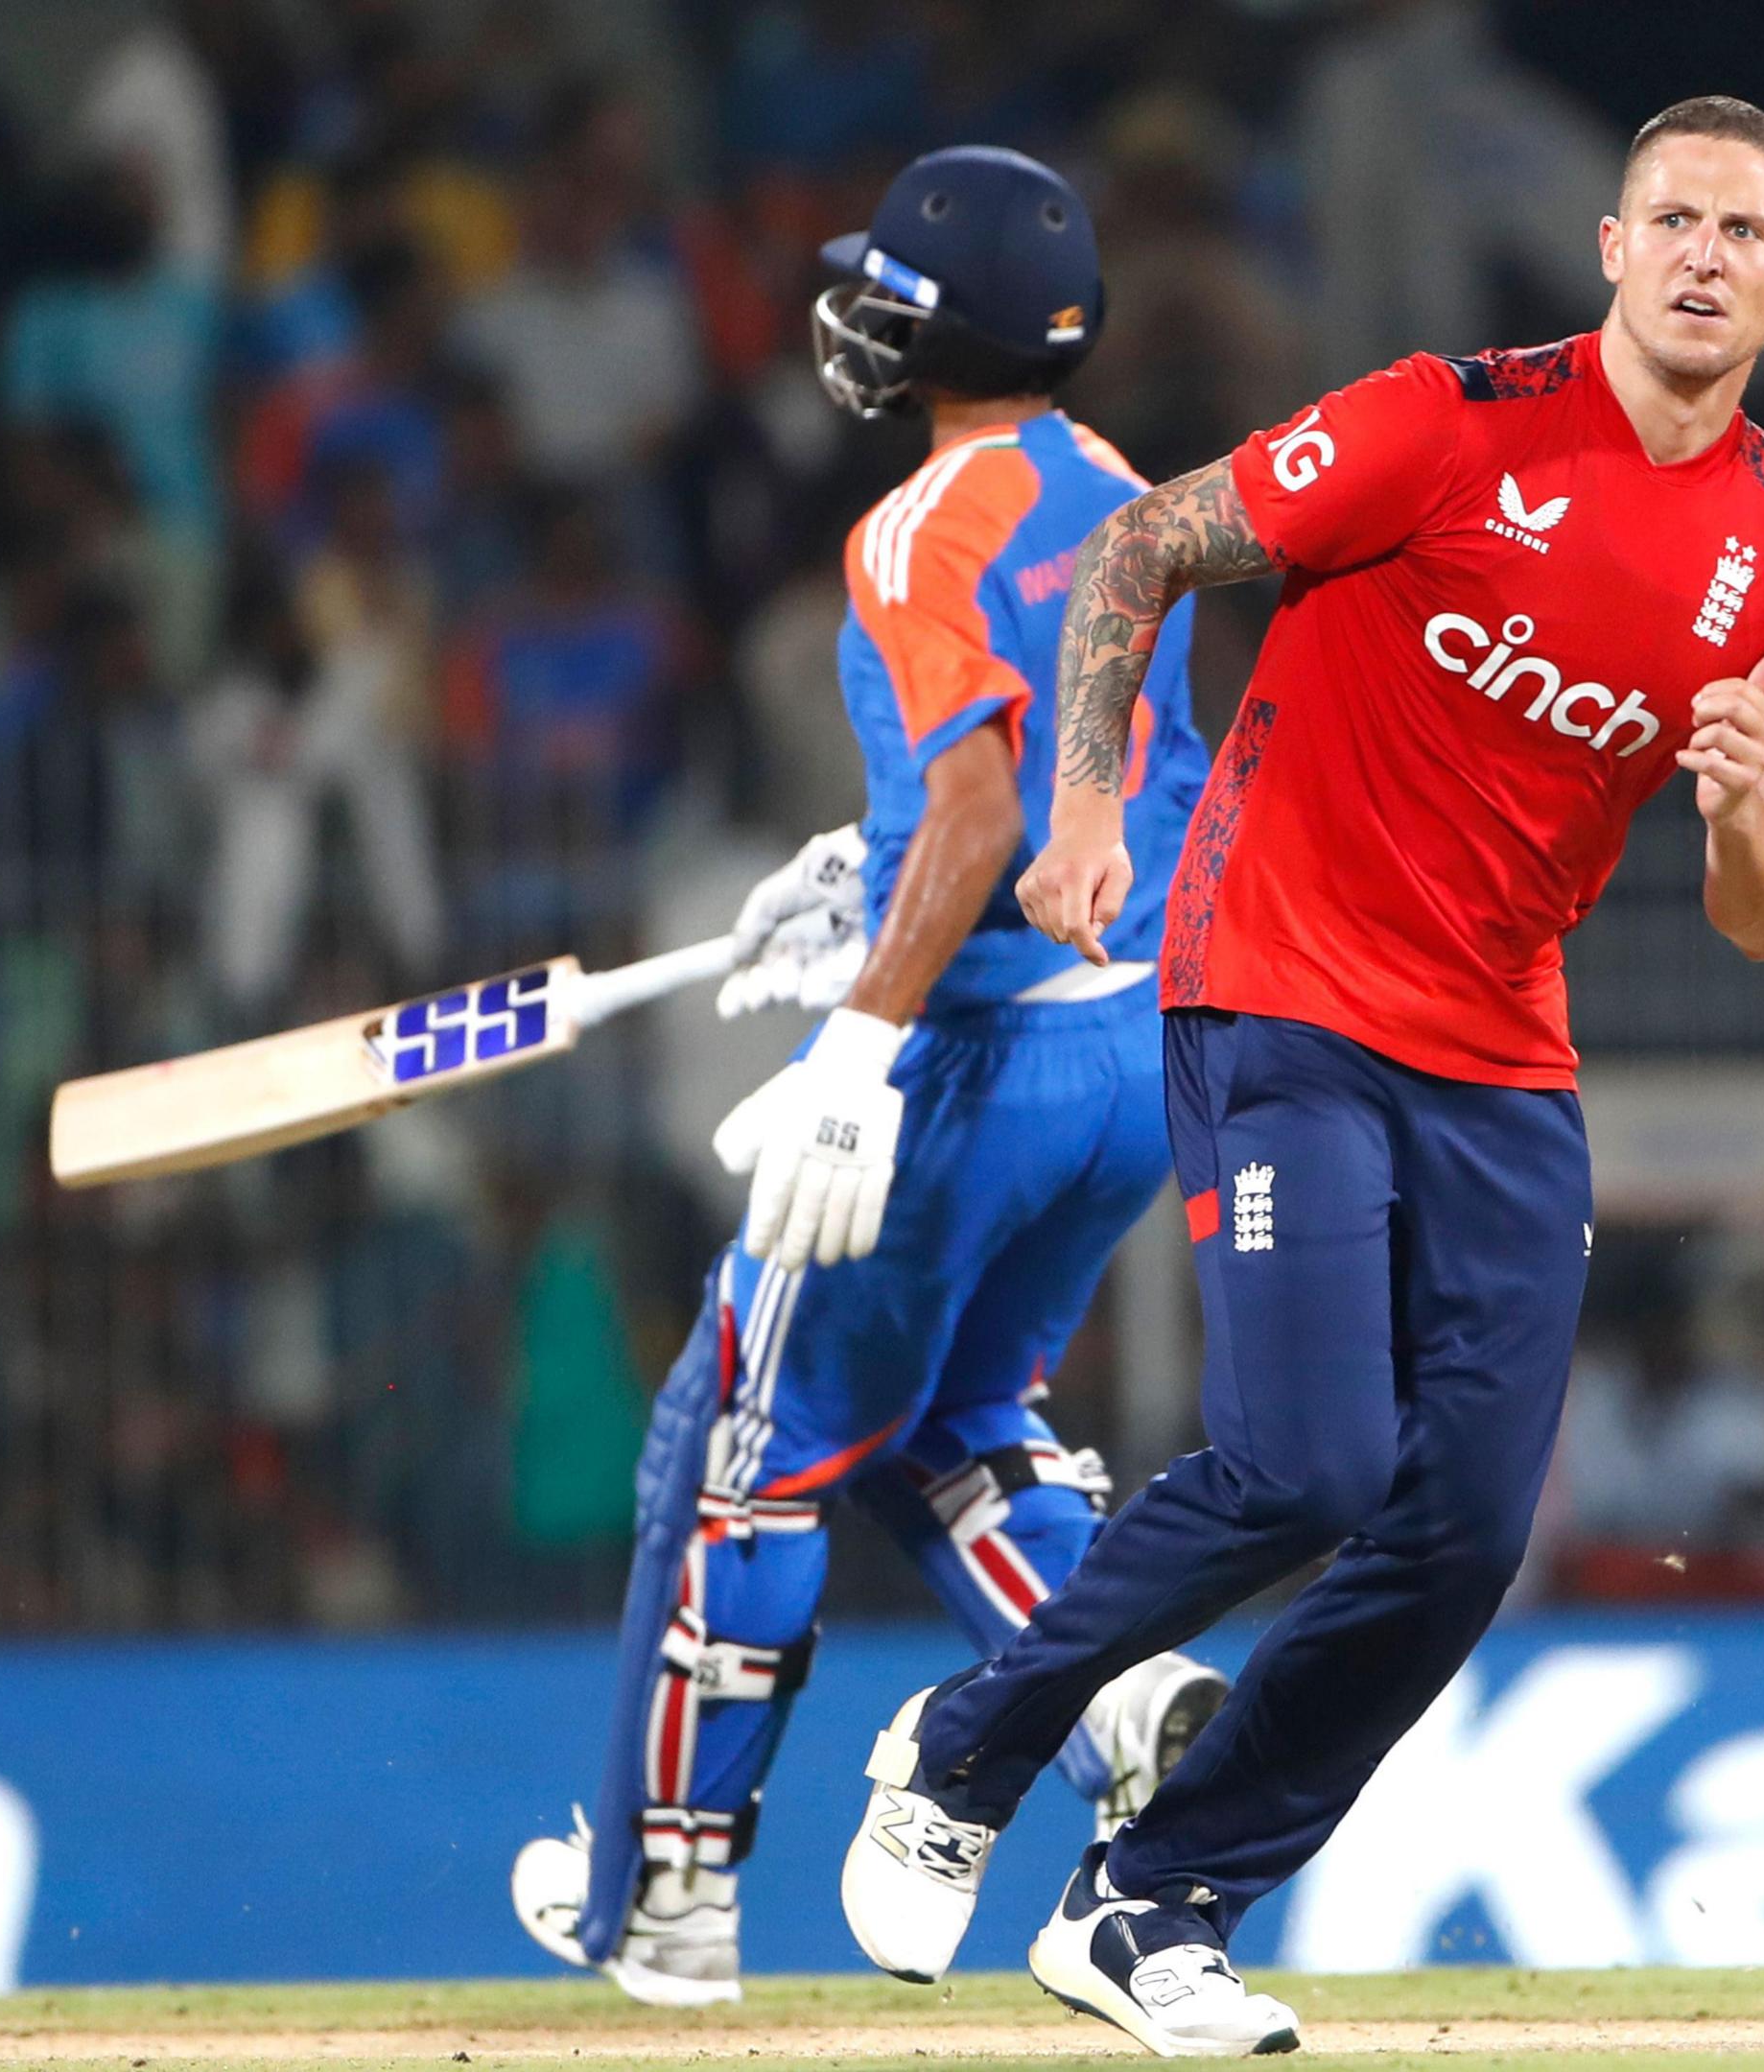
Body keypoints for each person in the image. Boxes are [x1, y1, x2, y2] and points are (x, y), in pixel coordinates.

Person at [836, 95, 1764, 2054]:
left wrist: (1742, 817)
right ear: (1614, 244)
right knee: (1308, 1459)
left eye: (1747, 232)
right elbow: (1141, 547)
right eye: (1678, 219)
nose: (1709, 254)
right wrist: (1081, 807)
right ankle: (965, 1754)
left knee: (1465, 1527)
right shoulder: (1443, 423)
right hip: (1282, 986)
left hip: (1501, 1049)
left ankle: (1155, 1903)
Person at [506, 146, 1226, 2008]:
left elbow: (987, 800)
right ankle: (1123, 1691)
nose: (852, 307)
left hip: (974, 1068)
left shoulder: (918, 531)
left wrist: (860, 1036)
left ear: (924, 320)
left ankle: (664, 1902)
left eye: (878, 282)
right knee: (956, 1425)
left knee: (737, 1450)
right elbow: (1112, 779)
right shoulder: (1127, 498)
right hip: (1132, 1054)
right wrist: (873, 858)